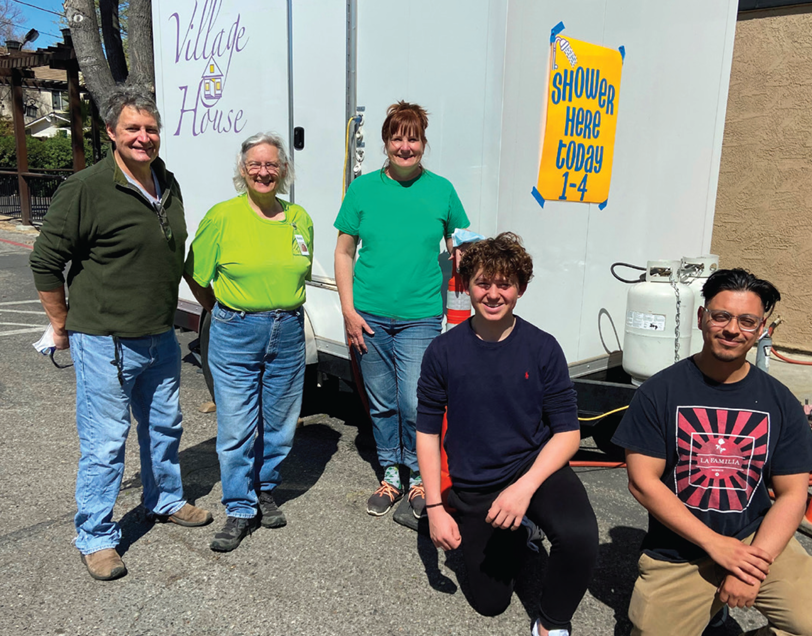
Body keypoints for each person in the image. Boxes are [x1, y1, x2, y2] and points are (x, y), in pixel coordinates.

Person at [29, 87, 212, 581]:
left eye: (150, 128)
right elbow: (45, 261)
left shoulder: (165, 180)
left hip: (158, 334)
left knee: (164, 428)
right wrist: (61, 324)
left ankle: (165, 499)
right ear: (111, 132)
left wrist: (208, 300)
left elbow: (175, 249)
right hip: (105, 340)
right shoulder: (86, 188)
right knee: (107, 442)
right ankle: (94, 535)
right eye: (132, 128)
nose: (143, 137)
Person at [416, 233, 599, 636]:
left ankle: (552, 624)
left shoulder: (543, 348)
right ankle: (520, 532)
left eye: (505, 284)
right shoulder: (443, 352)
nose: (493, 294)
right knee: (490, 604)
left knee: (580, 536)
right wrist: (434, 509)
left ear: (520, 288)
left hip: (535, 468)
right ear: (466, 284)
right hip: (476, 480)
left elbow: (568, 433)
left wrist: (525, 488)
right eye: (483, 282)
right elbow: (427, 433)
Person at [612, 268, 812, 636]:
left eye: (746, 321)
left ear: (761, 329)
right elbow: (642, 483)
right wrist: (716, 546)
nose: (732, 329)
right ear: (702, 318)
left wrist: (754, 564)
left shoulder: (780, 402)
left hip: (755, 539)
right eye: (721, 316)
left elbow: (793, 494)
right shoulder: (659, 392)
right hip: (680, 550)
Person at [334, 101, 470, 518]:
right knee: (381, 402)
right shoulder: (362, 190)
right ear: (386, 142)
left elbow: (459, 242)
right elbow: (343, 252)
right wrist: (348, 310)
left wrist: (462, 258)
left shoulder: (442, 190)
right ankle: (391, 473)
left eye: (412, 138)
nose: (405, 146)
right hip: (369, 317)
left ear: (423, 143)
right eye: (397, 137)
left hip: (420, 317)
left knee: (414, 402)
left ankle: (417, 476)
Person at [185, 132, 313, 552]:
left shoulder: (300, 218)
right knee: (238, 426)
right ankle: (239, 507)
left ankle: (264, 488)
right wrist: (224, 309)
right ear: (243, 170)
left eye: (272, 164)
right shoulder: (222, 216)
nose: (264, 171)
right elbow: (197, 276)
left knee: (278, 424)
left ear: (283, 170)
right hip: (236, 330)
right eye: (255, 164)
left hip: (290, 329)